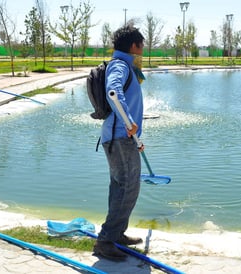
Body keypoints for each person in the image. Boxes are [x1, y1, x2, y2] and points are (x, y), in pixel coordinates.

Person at [93, 25, 145, 261]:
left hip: (124, 138)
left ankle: (117, 233)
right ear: (134, 45)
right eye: (141, 43)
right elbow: (113, 91)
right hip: (119, 137)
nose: (143, 47)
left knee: (121, 188)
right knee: (127, 189)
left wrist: (136, 136)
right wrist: (129, 122)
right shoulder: (120, 65)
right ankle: (105, 242)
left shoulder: (124, 65)